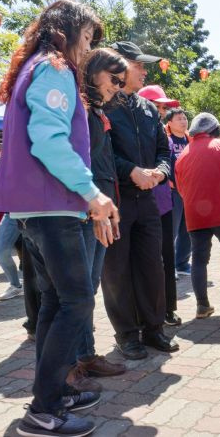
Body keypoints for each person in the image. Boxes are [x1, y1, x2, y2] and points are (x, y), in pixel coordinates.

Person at [0, 0, 116, 437]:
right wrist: (93, 192)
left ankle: (52, 393)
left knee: (54, 302)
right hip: (54, 206)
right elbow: (48, 140)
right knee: (76, 302)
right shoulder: (55, 68)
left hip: (35, 208)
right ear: (67, 31)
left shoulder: (34, 66)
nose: (87, 49)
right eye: (86, 38)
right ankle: (44, 410)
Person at [103, 40, 179, 360]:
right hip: (116, 201)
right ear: (119, 67)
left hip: (148, 201)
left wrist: (160, 172)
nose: (145, 72)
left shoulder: (148, 109)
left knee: (153, 266)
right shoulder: (102, 107)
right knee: (117, 270)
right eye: (140, 65)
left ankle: (153, 328)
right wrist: (130, 170)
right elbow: (101, 156)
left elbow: (165, 151)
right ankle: (126, 334)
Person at [69, 47, 129, 389]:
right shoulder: (78, 110)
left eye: (122, 82)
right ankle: (76, 359)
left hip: (102, 207)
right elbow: (81, 165)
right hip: (85, 210)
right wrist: (95, 209)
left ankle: (85, 354)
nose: (117, 87)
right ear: (91, 72)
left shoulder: (96, 111)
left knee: (88, 288)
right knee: (78, 291)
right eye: (113, 78)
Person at [175, 113, 220, 318]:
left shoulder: (183, 154)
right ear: (214, 130)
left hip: (194, 215)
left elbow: (181, 188)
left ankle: (202, 306)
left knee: (199, 259)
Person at [137, 92, 182, 326]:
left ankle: (168, 309)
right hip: (136, 202)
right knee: (144, 261)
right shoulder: (128, 126)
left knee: (166, 256)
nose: (161, 112)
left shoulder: (159, 133)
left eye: (163, 109)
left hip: (163, 202)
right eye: (158, 107)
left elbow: (165, 159)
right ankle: (144, 313)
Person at [164, 107, 192, 277]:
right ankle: (169, 265)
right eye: (179, 119)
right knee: (172, 229)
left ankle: (182, 263)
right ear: (169, 122)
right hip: (173, 191)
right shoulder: (166, 140)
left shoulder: (191, 139)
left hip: (189, 191)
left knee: (187, 229)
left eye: (184, 118)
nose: (183, 121)